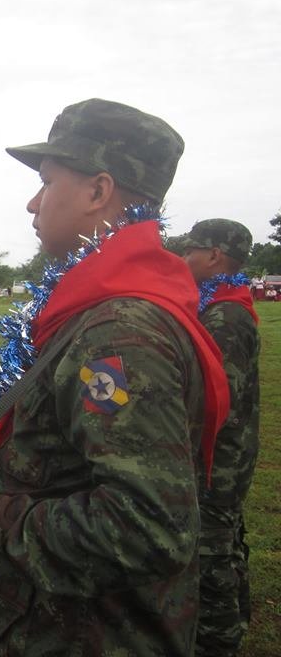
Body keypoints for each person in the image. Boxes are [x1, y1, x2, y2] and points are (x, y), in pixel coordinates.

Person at [0, 98, 229, 656]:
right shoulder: (102, 307)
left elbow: (148, 528)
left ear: (98, 191)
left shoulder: (118, 333)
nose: (33, 203)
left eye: (47, 182)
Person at [181, 218, 261, 657]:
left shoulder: (225, 316)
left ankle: (217, 640)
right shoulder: (222, 305)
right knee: (224, 541)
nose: (183, 258)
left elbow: (215, 398)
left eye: (190, 250)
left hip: (218, 463)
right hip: (224, 458)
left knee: (211, 553)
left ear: (214, 256)